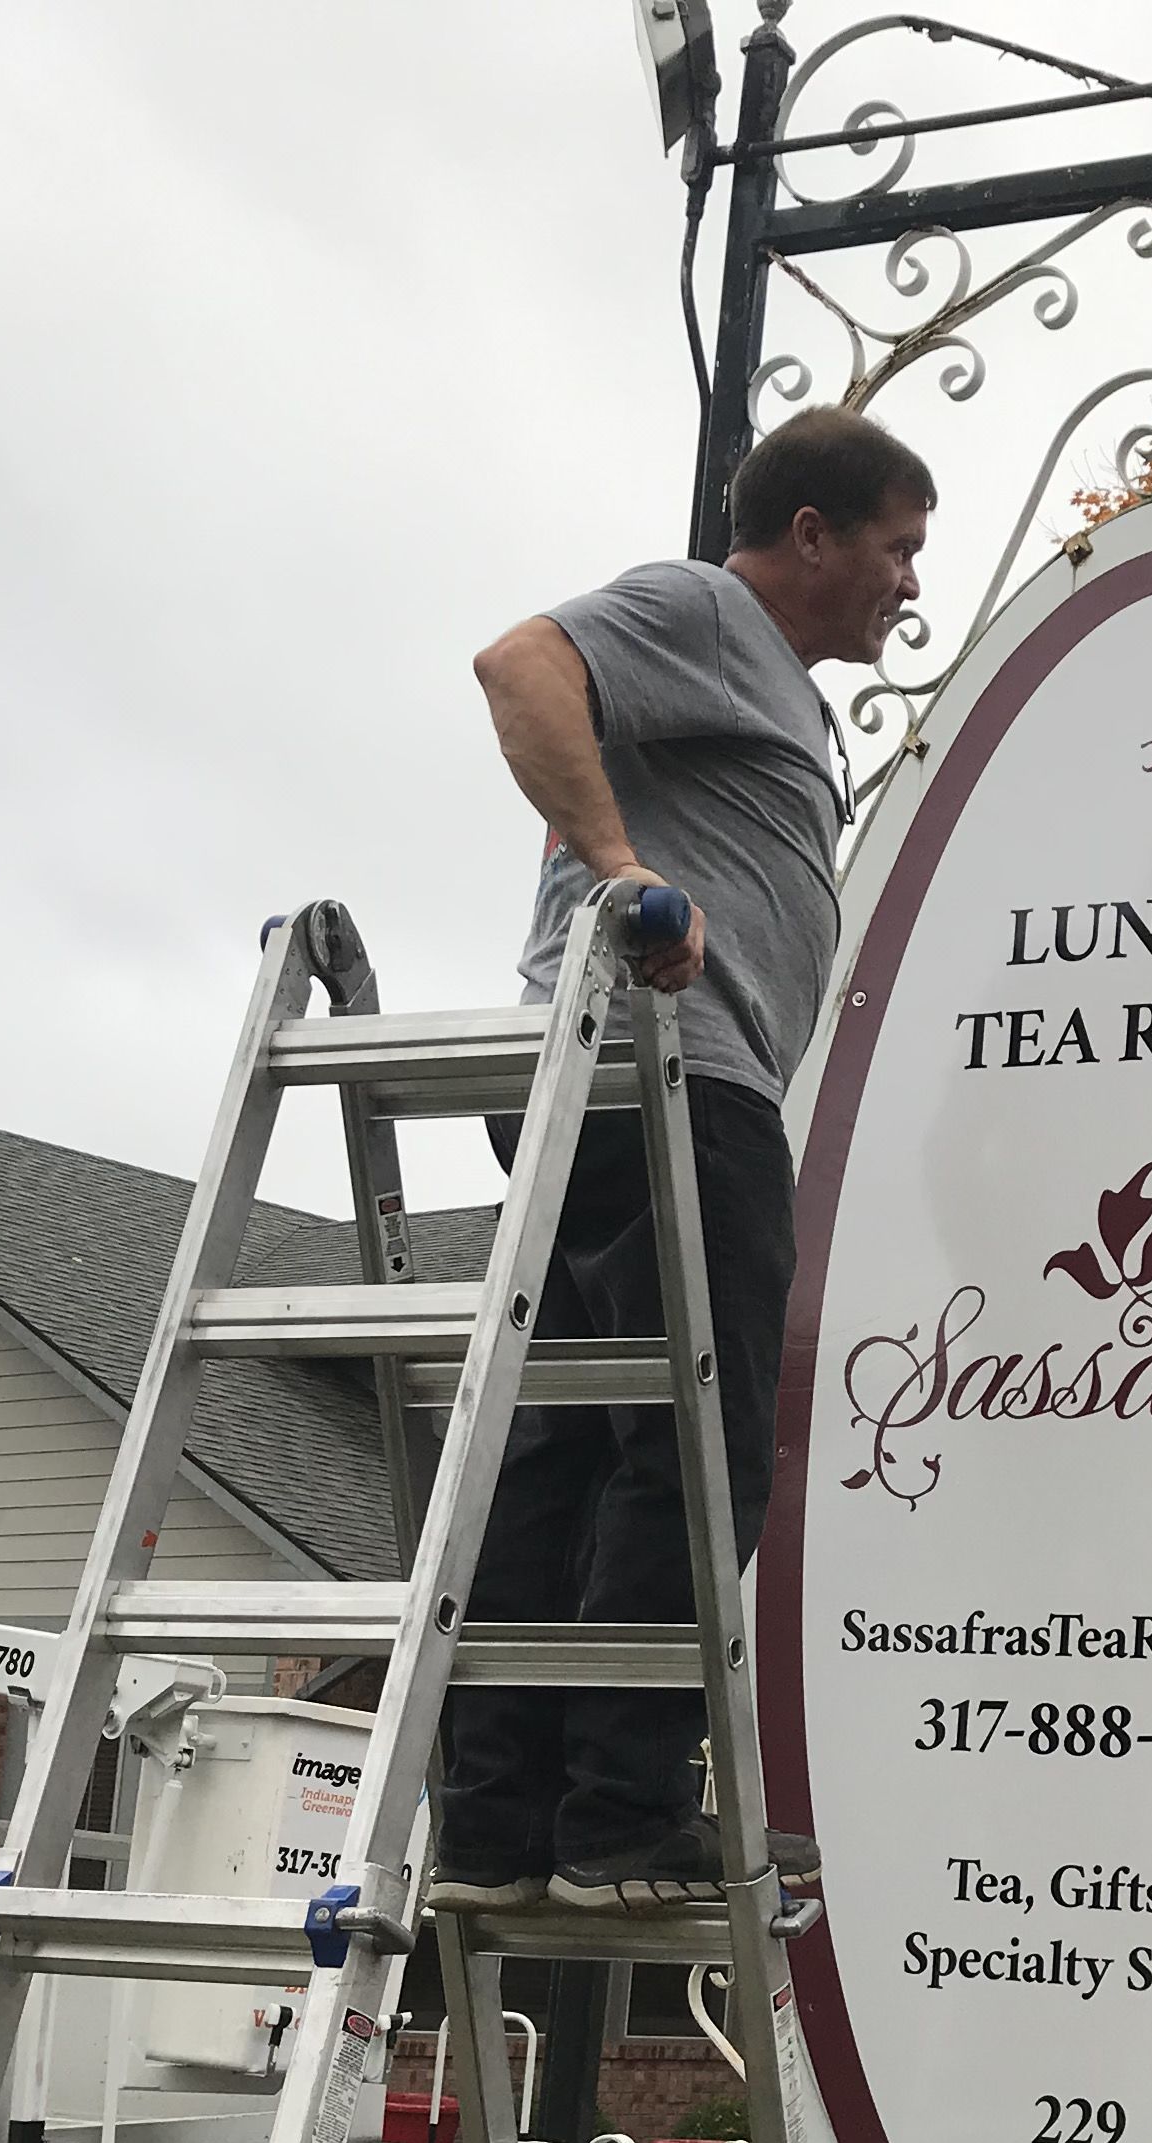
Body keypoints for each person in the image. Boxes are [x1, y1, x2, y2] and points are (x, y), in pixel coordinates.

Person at [434, 408, 934, 1914]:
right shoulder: (705, 609)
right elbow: (519, 665)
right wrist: (622, 869)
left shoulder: (760, 679)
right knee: (696, 1441)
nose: (910, 584)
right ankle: (621, 1820)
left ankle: (501, 1826)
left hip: (630, 1089)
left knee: (577, 1444)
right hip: (663, 1083)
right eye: (898, 548)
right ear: (812, 536)